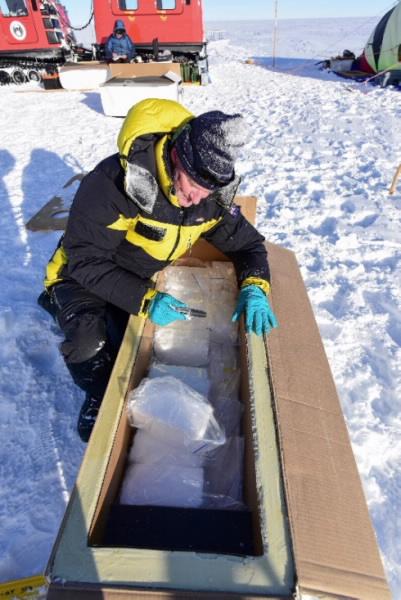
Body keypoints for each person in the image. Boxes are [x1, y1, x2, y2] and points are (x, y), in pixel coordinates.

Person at [38, 98, 278, 442]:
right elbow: (85, 260)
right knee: (91, 344)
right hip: (79, 276)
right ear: (178, 157)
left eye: (209, 192)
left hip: (135, 278)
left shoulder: (206, 197)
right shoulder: (115, 183)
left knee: (133, 350)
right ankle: (94, 394)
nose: (198, 200)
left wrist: (255, 287)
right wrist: (145, 300)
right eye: (193, 186)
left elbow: (249, 245)